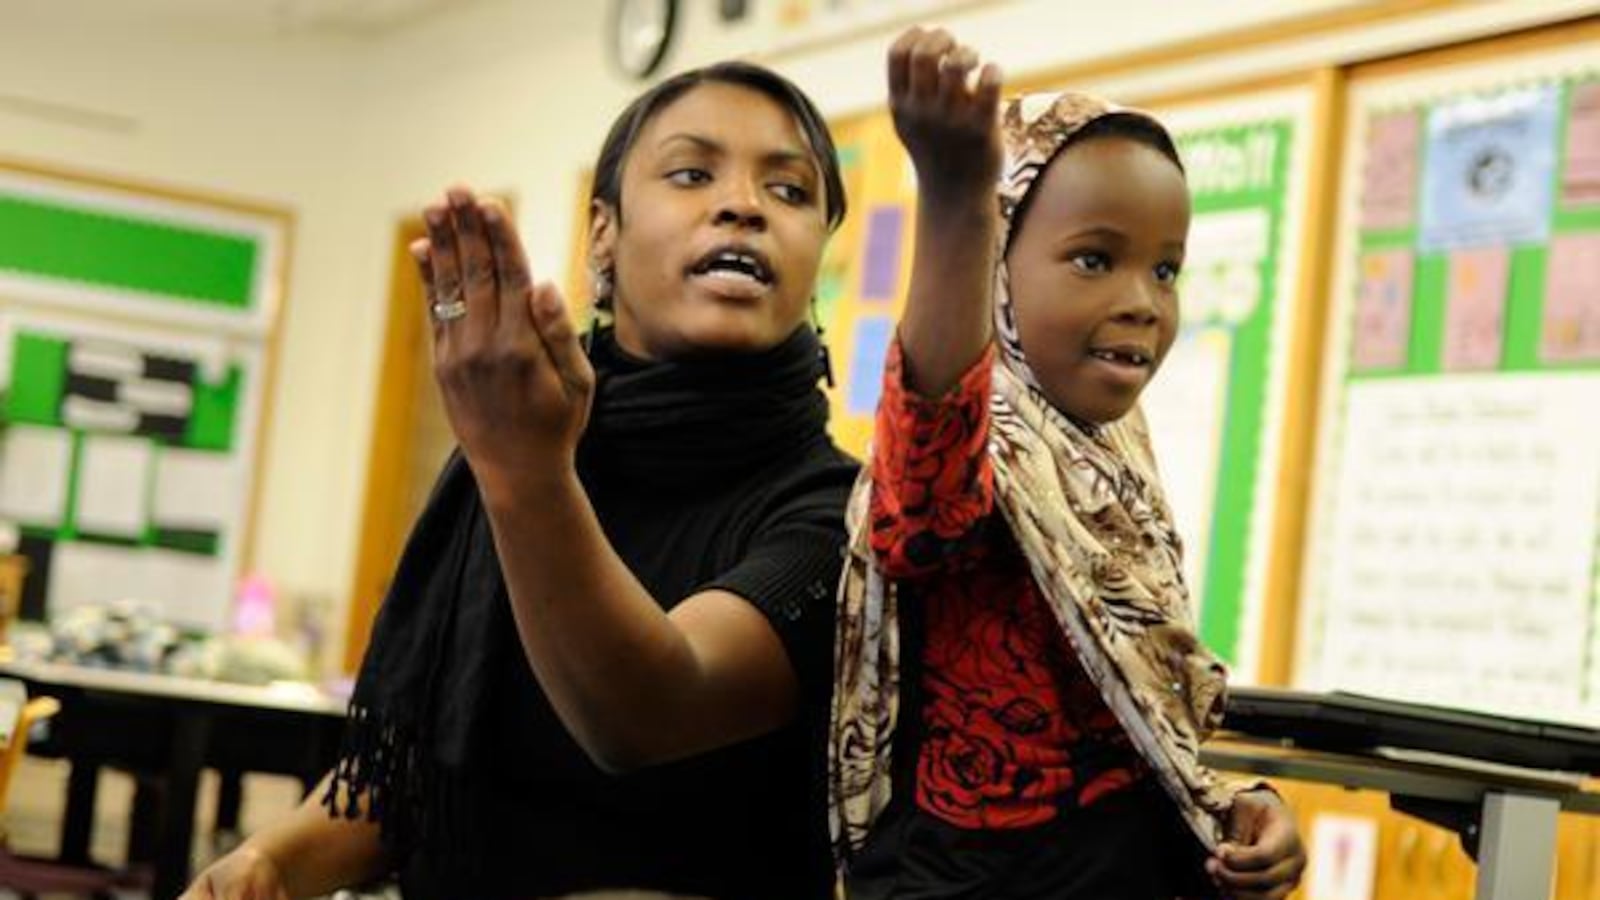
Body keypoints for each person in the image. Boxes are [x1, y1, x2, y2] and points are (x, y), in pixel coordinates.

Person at [183, 60, 858, 900]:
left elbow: (644, 711)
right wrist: (273, 863)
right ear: (602, 233)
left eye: (790, 192)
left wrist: (524, 468)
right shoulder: (516, 447)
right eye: (692, 173)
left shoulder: (836, 512)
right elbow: (416, 772)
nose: (744, 205)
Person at [828, 28, 1307, 900]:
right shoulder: (981, 443)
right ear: (996, 267)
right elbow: (925, 483)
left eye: (1166, 270)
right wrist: (955, 202)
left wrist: (1238, 808)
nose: (1142, 303)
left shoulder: (1110, 459)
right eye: (1095, 259)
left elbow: (1141, 719)